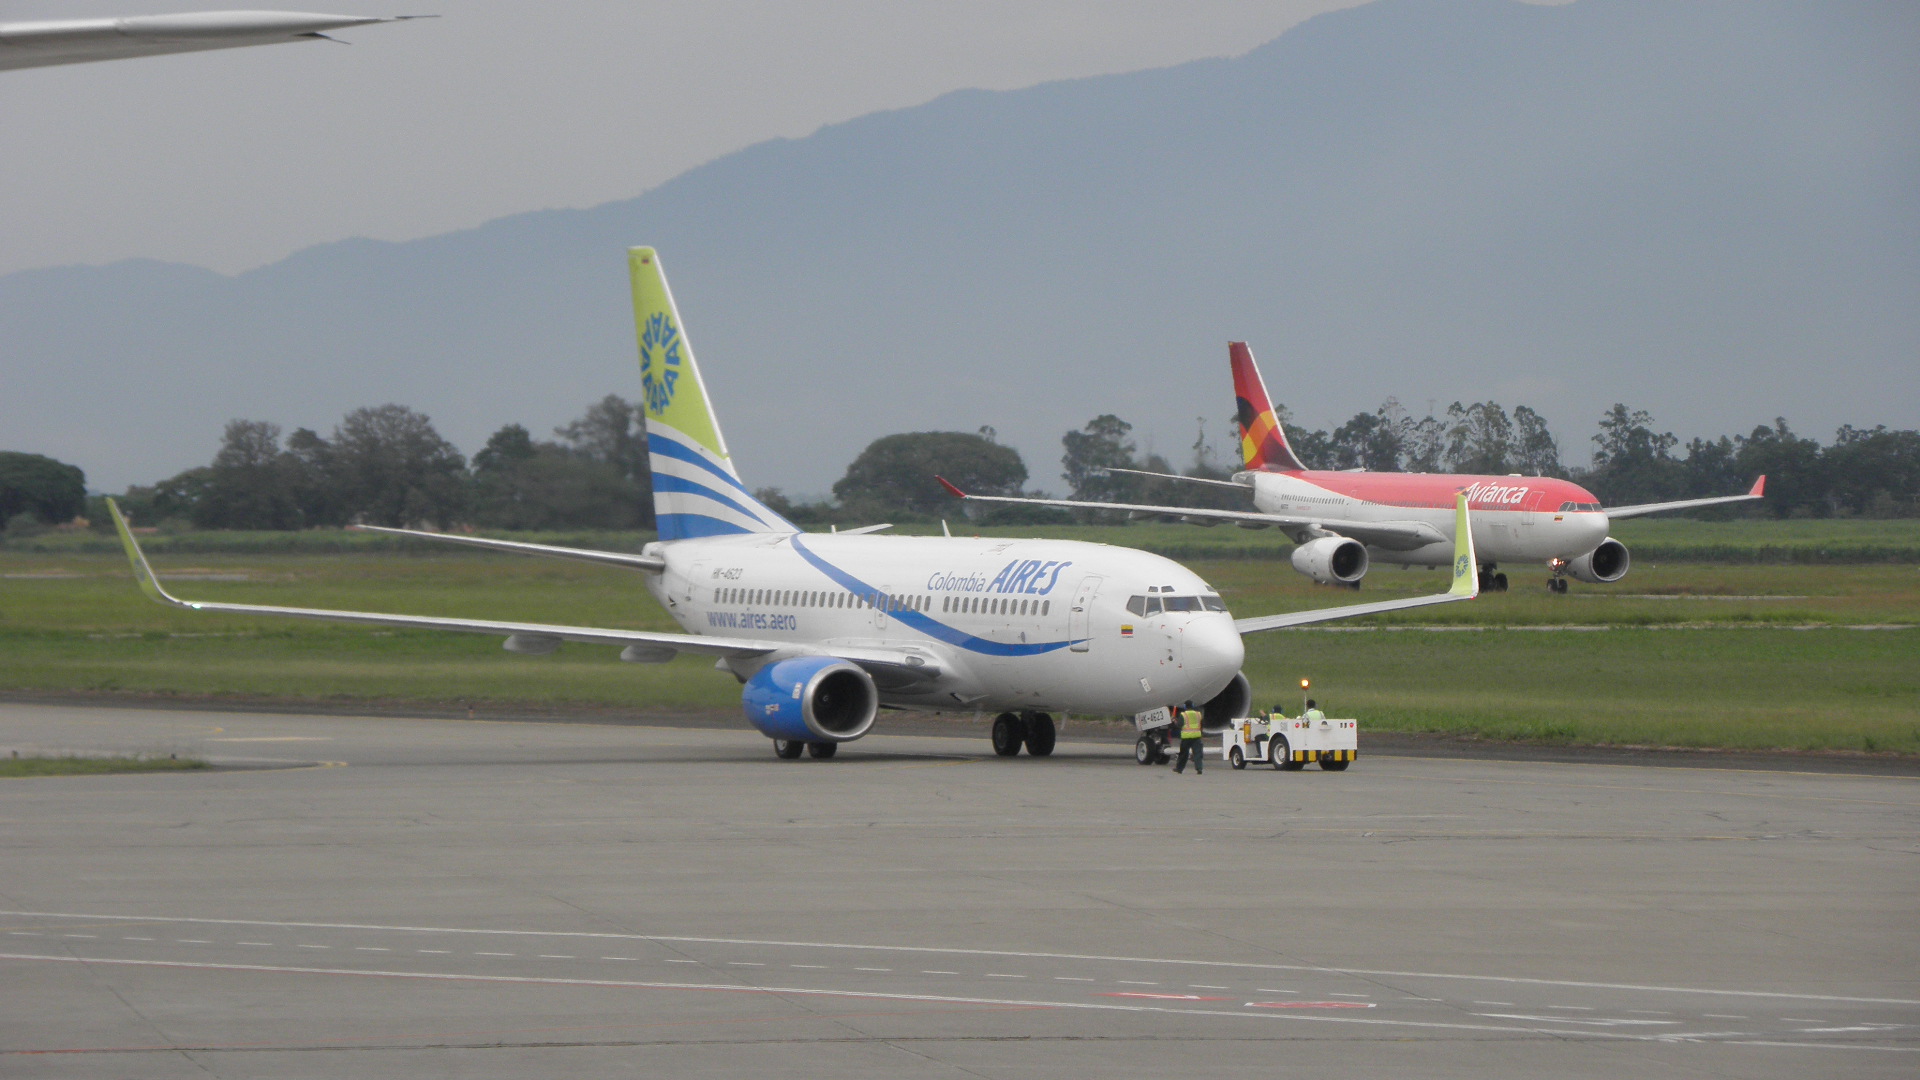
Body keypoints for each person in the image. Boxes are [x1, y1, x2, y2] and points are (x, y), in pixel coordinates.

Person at [1172, 702, 1205, 774]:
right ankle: (1199, 769)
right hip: (1196, 737)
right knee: (1197, 754)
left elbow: (1179, 725)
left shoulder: (1183, 715)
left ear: (1185, 706)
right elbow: (1201, 725)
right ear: (1193, 706)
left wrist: (1174, 720)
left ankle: (1179, 769)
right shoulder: (1198, 714)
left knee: (1183, 754)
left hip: (1186, 738)